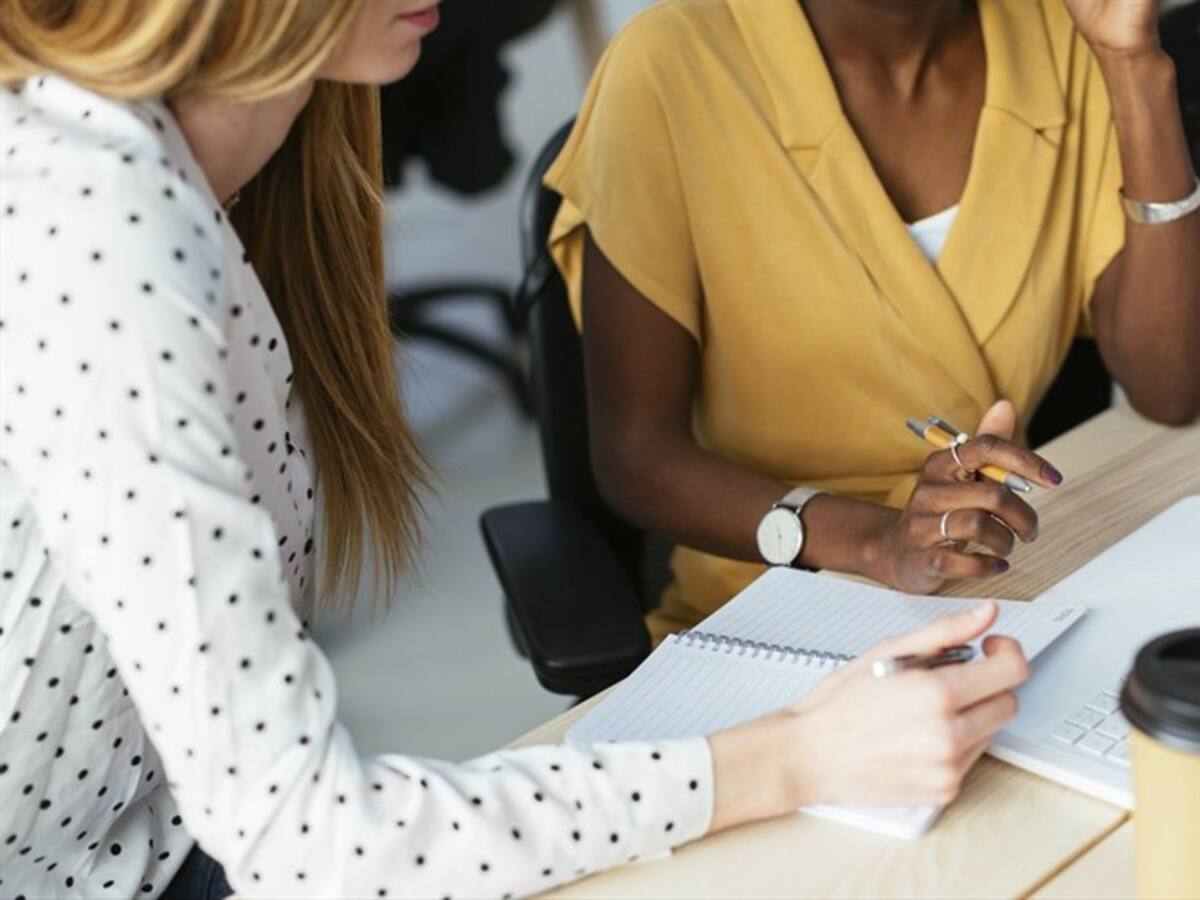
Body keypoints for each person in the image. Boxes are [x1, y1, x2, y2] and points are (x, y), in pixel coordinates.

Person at [0, 2, 1030, 898]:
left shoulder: (233, 169)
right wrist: (798, 758)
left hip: (150, 842)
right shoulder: (99, 225)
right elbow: (312, 845)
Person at [546, 0, 1200, 643]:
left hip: (1004, 586)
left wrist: (1133, 65)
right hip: (769, 615)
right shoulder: (669, 62)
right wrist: (876, 541)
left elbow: (1170, 387)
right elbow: (636, 456)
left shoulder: (1062, 37)